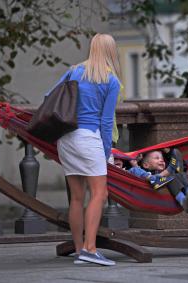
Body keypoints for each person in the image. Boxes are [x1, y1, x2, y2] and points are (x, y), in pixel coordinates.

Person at [54, 33, 121, 266]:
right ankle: (90, 250)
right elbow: (105, 122)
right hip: (88, 138)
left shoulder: (73, 71)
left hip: (66, 137)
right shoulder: (111, 81)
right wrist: (105, 154)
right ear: (111, 51)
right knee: (99, 193)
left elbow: (49, 98)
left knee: (77, 197)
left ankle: (79, 248)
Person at [117, 148, 188, 213]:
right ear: (146, 165)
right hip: (151, 185)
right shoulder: (140, 170)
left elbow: (182, 166)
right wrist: (136, 164)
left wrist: (169, 152)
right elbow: (137, 171)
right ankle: (183, 200)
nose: (161, 160)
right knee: (171, 177)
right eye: (157, 158)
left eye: (161, 158)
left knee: (180, 174)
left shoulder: (163, 170)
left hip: (165, 181)